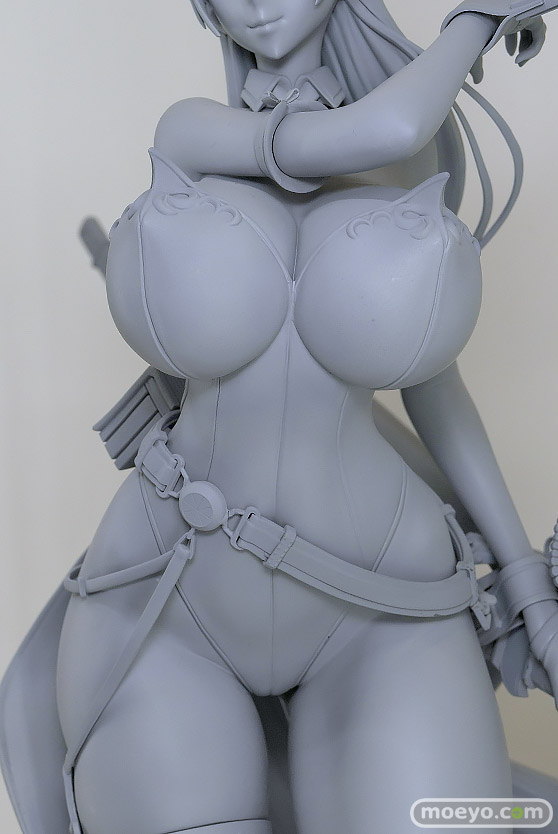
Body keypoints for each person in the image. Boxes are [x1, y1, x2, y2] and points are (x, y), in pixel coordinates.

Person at [5, 2, 558, 834]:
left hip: (381, 602)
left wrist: (525, 584)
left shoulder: (407, 161)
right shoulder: (192, 132)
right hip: (169, 596)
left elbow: (434, 392)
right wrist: (477, 19)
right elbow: (387, 125)